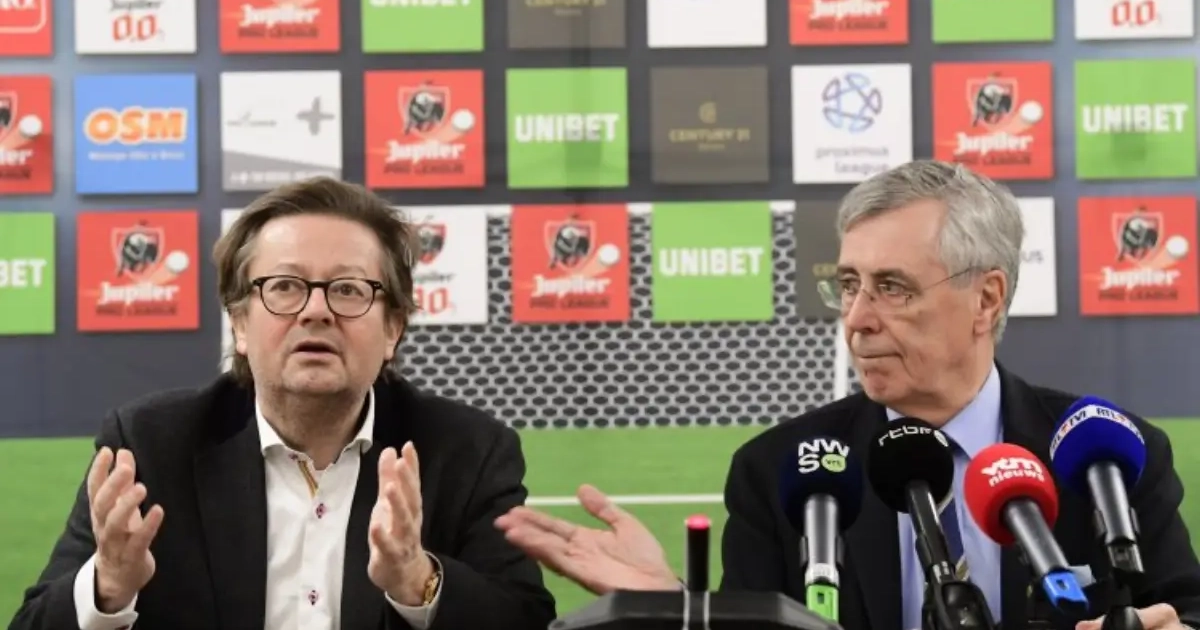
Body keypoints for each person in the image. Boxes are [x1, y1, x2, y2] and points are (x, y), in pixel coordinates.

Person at [494, 160, 1200, 630]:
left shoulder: (1106, 455)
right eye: (849, 285)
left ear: (986, 299)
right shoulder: (778, 470)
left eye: (892, 287)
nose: (857, 319)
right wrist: (678, 607)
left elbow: (1183, 609)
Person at [10, 177, 556, 630]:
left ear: (393, 329)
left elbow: (526, 619)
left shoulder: (468, 451)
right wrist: (107, 587)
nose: (316, 311)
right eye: (285, 287)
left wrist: (419, 581)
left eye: (348, 289)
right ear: (240, 324)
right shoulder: (149, 447)